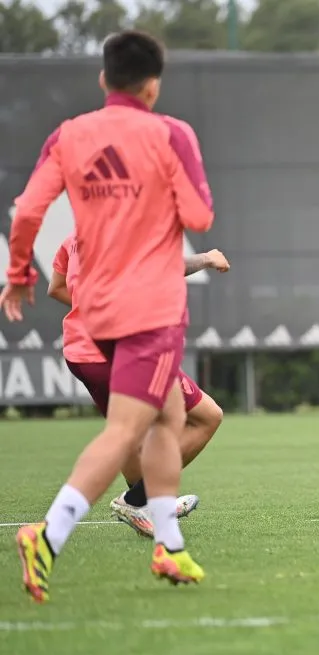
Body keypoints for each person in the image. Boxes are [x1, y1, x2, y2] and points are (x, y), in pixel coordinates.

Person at [0, 30, 215, 603]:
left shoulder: (69, 135)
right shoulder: (172, 133)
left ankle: (168, 545)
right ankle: (48, 534)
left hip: (98, 312)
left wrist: (19, 273)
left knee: (168, 416)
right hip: (151, 308)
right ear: (153, 84)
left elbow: (28, 213)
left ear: (103, 79)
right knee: (127, 431)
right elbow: (199, 212)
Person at [49, 235, 230, 537]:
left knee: (129, 434)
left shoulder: (72, 240)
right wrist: (208, 257)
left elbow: (55, 288)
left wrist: (88, 306)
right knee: (207, 417)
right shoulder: (125, 230)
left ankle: (149, 504)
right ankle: (137, 499)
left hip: (80, 352)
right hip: (121, 350)